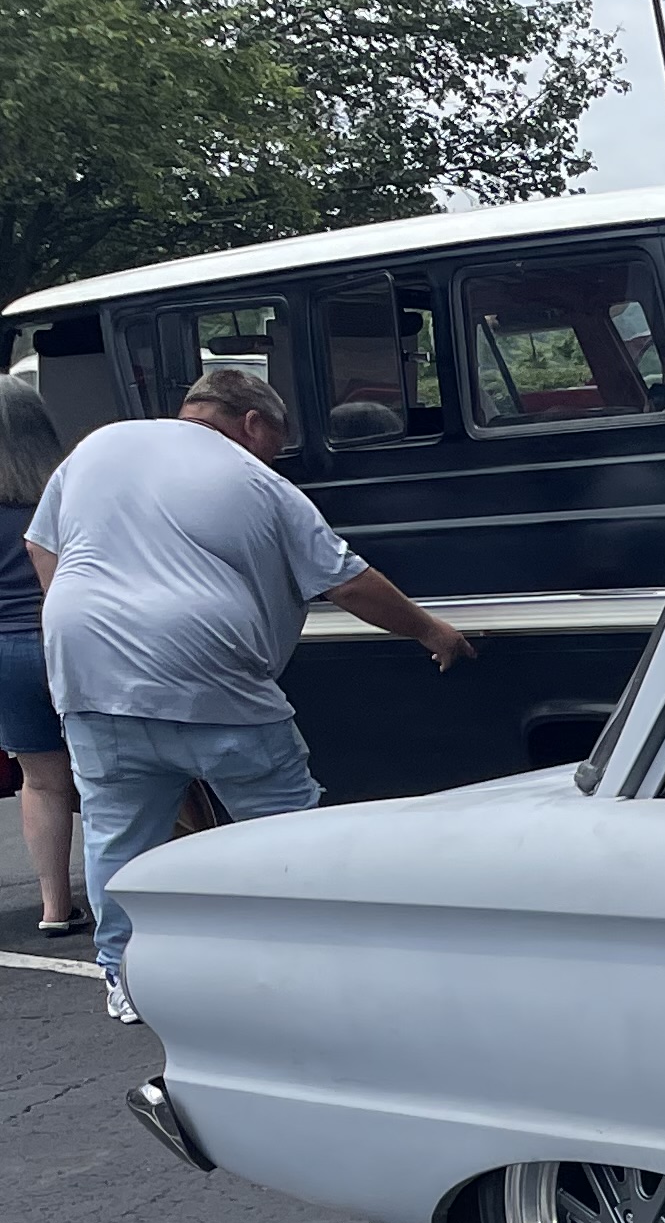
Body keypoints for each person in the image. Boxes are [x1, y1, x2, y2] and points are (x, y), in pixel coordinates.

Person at [20, 365, 472, 1019]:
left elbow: (41, 543)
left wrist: (77, 615)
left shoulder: (100, 446)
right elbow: (346, 582)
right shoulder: (257, 480)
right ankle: (315, 960)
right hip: (211, 680)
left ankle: (124, 977)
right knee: (286, 827)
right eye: (276, 444)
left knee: (118, 836)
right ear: (253, 423)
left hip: (90, 676)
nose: (275, 459)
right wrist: (433, 631)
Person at [0, 376, 80, 940]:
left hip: (5, 652)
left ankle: (55, 907)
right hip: (68, 641)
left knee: (42, 781)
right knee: (111, 774)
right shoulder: (68, 495)